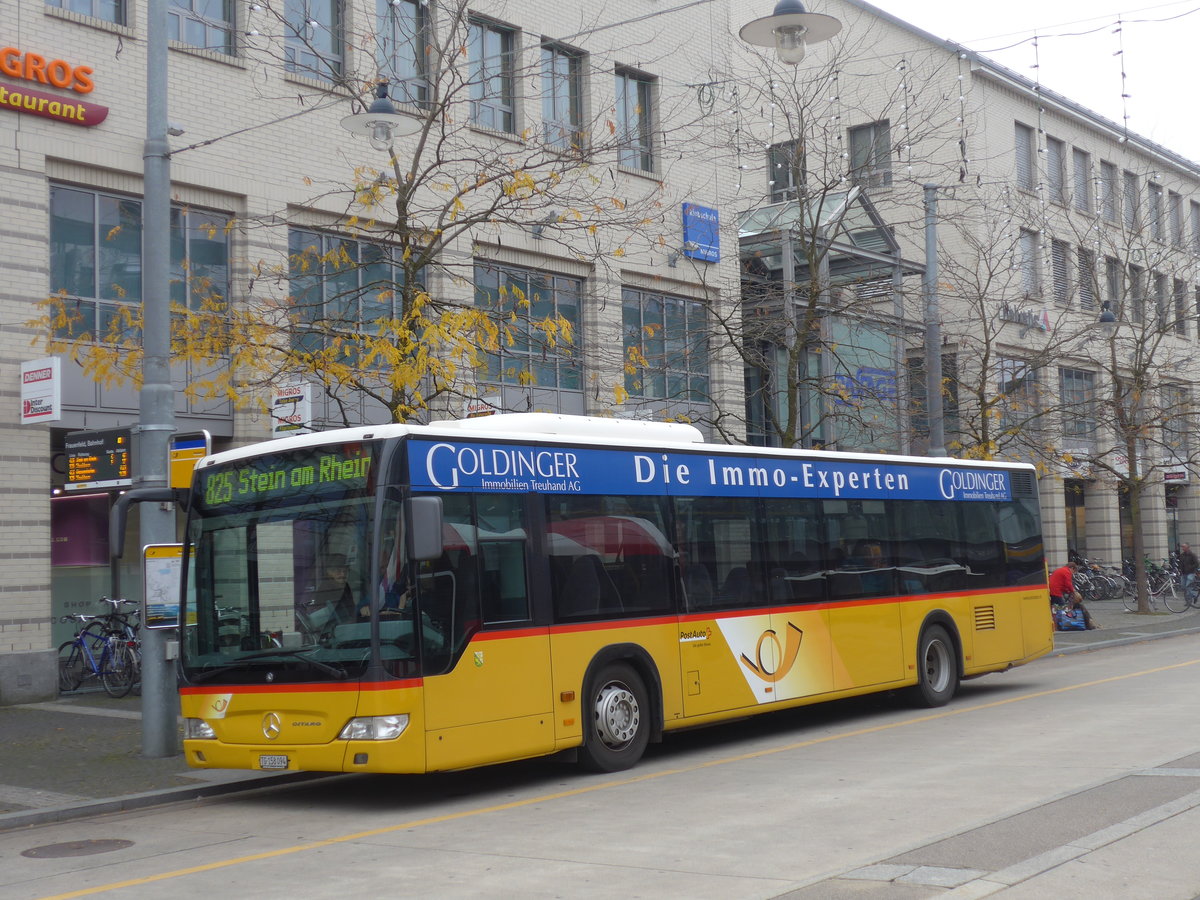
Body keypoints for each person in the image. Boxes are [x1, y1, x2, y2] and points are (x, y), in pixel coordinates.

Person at [310, 552, 357, 625]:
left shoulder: (345, 586)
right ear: (329, 571)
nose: (343, 574)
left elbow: (351, 609)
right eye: (338, 570)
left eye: (345, 570)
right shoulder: (326, 588)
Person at [1049, 559, 1098, 630]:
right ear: (1072, 568)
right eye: (1074, 571)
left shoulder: (1060, 570)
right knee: (1062, 607)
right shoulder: (1067, 571)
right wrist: (1073, 591)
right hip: (1055, 592)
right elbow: (1068, 584)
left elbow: (1063, 584)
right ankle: (1064, 623)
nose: (1073, 573)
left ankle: (1056, 624)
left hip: (1051, 591)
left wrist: (1068, 591)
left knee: (1054, 608)